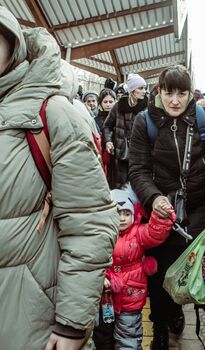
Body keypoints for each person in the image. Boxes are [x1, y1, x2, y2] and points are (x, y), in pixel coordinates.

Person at [0, 6, 118, 350]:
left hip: (29, 318)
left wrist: (72, 324)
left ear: (13, 46)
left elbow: (90, 220)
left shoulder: (51, 114)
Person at [128, 65, 205, 350]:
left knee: (188, 273)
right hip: (161, 217)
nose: (174, 100)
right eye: (168, 92)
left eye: (181, 93)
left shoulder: (203, 118)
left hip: (199, 212)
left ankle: (176, 311)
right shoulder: (144, 122)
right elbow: (137, 170)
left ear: (189, 93)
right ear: (159, 92)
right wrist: (153, 198)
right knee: (158, 276)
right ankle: (160, 328)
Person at [93, 188, 175, 350]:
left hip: (131, 296)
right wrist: (101, 276)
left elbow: (155, 233)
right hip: (104, 297)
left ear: (134, 214)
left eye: (126, 213)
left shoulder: (138, 233)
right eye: (118, 213)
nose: (122, 219)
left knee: (129, 336)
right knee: (101, 335)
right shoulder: (100, 234)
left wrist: (161, 217)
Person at [103, 74, 148, 189]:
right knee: (120, 187)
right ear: (132, 90)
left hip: (141, 155)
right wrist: (108, 141)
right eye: (141, 88)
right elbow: (107, 126)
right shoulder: (118, 106)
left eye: (145, 88)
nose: (144, 91)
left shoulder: (147, 108)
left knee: (138, 187)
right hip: (121, 155)